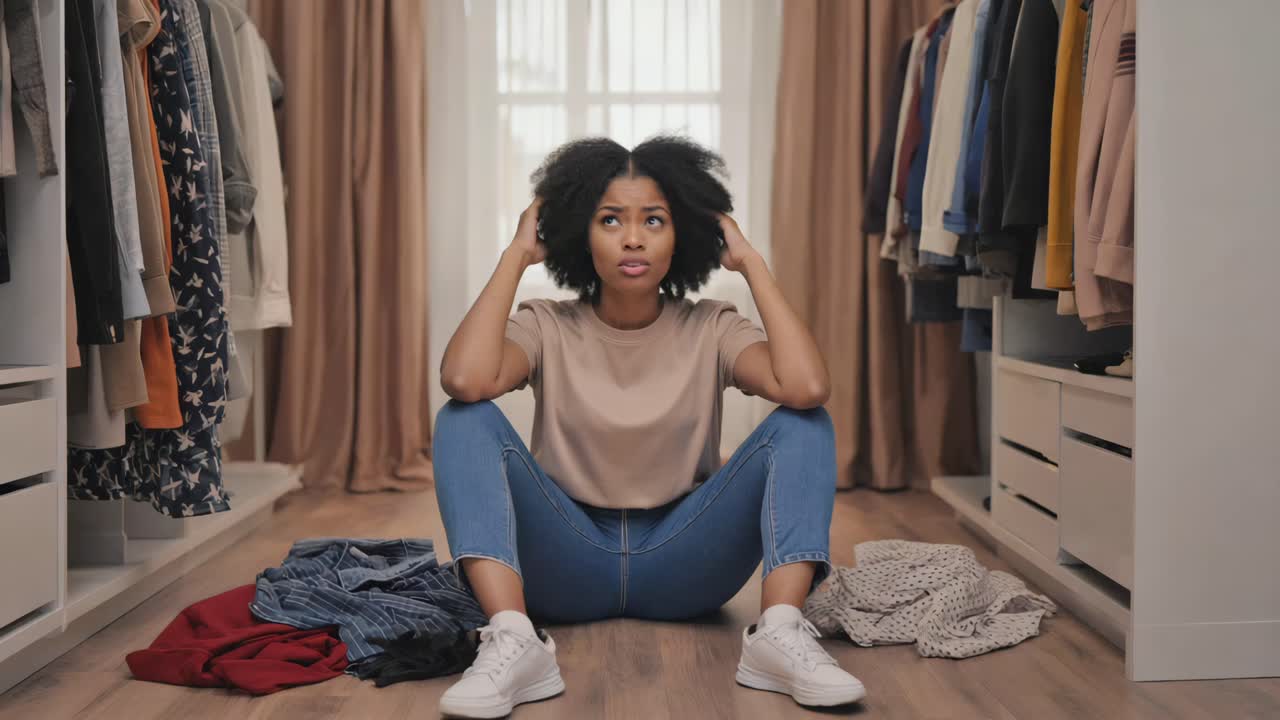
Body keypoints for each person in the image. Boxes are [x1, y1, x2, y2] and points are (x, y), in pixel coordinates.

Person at [434, 136, 864, 718]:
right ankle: (514, 638)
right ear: (579, 235)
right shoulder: (545, 324)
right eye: (610, 219)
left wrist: (751, 264)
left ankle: (778, 633)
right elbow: (464, 378)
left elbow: (807, 386)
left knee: (804, 423)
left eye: (654, 221)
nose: (632, 238)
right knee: (464, 416)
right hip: (566, 561)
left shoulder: (712, 325)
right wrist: (515, 255)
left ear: (681, 234)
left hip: (685, 562)